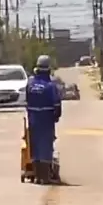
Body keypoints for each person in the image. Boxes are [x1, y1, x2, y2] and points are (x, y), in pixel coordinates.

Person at [26, 55, 62, 184]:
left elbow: (27, 102)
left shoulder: (30, 84)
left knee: (34, 146)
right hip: (46, 120)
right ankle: (45, 177)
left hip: (33, 119)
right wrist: (56, 116)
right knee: (45, 147)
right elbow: (57, 104)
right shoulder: (51, 86)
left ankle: (37, 176)